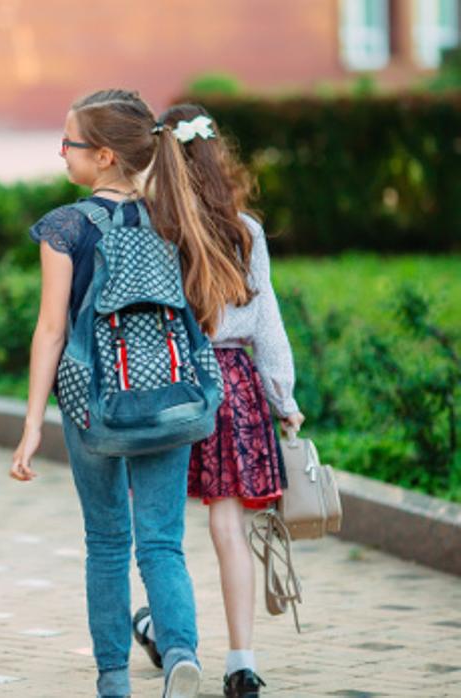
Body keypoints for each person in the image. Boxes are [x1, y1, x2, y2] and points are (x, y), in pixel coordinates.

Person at [10, 89, 251, 698]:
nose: (63, 153)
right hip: (172, 399)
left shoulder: (66, 228)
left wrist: (34, 421)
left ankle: (114, 678)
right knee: (162, 540)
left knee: (108, 542)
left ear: (107, 157)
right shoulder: (176, 218)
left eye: (72, 144)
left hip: (95, 406)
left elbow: (51, 329)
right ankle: (179, 654)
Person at [130, 104, 305, 698]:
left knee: (159, 531)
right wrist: (284, 397)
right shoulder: (245, 229)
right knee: (228, 527)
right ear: (215, 156)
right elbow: (268, 322)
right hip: (232, 384)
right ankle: (240, 662)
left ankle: (165, 629)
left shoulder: (152, 228)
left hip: (170, 384)